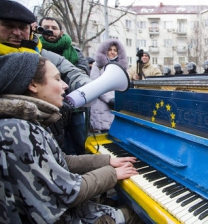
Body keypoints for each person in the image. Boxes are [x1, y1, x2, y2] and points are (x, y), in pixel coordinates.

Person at [0, 52, 139, 224]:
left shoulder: (25, 121)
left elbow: (62, 160)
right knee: (135, 214)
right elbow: (69, 192)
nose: (65, 85)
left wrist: (107, 161)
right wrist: (113, 173)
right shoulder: (19, 129)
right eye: (57, 79)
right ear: (33, 85)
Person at [0, 0, 92, 153]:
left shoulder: (39, 52)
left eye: (22, 27)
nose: (16, 32)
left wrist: (86, 87)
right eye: (9, 26)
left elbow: (72, 71)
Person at [38, 16, 90, 155]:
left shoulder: (75, 52)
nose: (50, 31)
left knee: (81, 142)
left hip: (75, 108)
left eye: (54, 28)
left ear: (61, 32)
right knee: (60, 147)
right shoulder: (36, 51)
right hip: (50, 109)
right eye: (46, 28)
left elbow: (82, 72)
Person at [90, 39, 128, 133]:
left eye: (115, 50)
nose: (112, 52)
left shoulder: (121, 67)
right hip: (102, 104)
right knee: (104, 134)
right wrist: (110, 99)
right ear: (105, 50)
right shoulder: (97, 65)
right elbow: (96, 85)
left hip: (117, 104)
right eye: (110, 49)